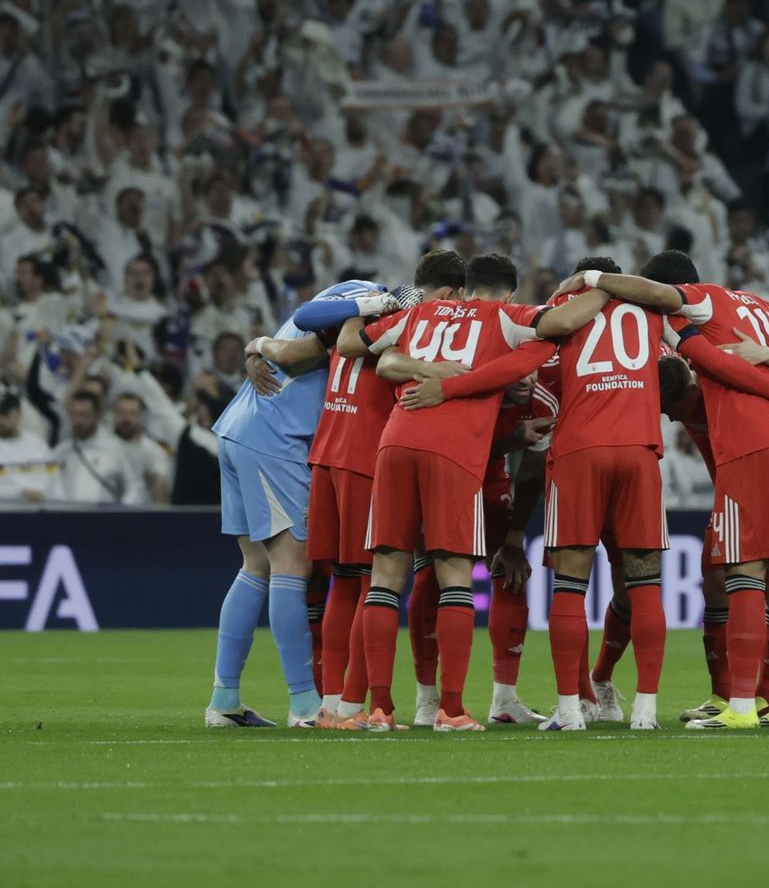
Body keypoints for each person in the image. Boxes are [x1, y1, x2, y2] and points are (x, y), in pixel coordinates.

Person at [559, 251, 769, 730]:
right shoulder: (747, 310)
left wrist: (596, 278)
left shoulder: (690, 320)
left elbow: (669, 310)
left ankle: (745, 703)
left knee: (744, 574)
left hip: (752, 451)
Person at [335, 254, 603, 732]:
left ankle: (379, 710)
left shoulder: (418, 313)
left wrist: (412, 355)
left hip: (395, 441)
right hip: (454, 449)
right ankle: (451, 710)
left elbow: (354, 345)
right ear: (510, 294)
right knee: (455, 575)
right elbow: (562, 321)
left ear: (462, 290)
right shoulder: (506, 317)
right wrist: (604, 288)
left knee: (386, 575)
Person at [252, 250, 465, 729]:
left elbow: (313, 322)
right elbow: (351, 345)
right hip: (366, 460)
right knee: (377, 585)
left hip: (327, 454)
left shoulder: (368, 310)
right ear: (451, 295)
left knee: (344, 582)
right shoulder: (420, 321)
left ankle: (332, 704)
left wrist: (373, 303)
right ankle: (352, 707)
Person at [203, 277, 418, 729]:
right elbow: (304, 328)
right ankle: (304, 705)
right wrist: (378, 301)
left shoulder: (353, 300)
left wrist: (256, 345)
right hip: (275, 438)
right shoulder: (371, 306)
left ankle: (224, 699)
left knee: (255, 567)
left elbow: (298, 332)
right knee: (291, 565)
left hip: (240, 429)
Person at [53, 390, 140, 504]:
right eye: (74, 415)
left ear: (97, 415)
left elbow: (133, 488)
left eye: (83, 415)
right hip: (67, 516)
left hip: (105, 518)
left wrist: (122, 516)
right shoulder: (60, 452)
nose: (78, 421)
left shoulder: (115, 447)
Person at [0, 388, 55, 502]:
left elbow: (52, 476)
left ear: (19, 413)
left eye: (5, 414)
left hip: (40, 509)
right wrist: (20, 494)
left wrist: (42, 493)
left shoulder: (37, 443)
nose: (1, 420)